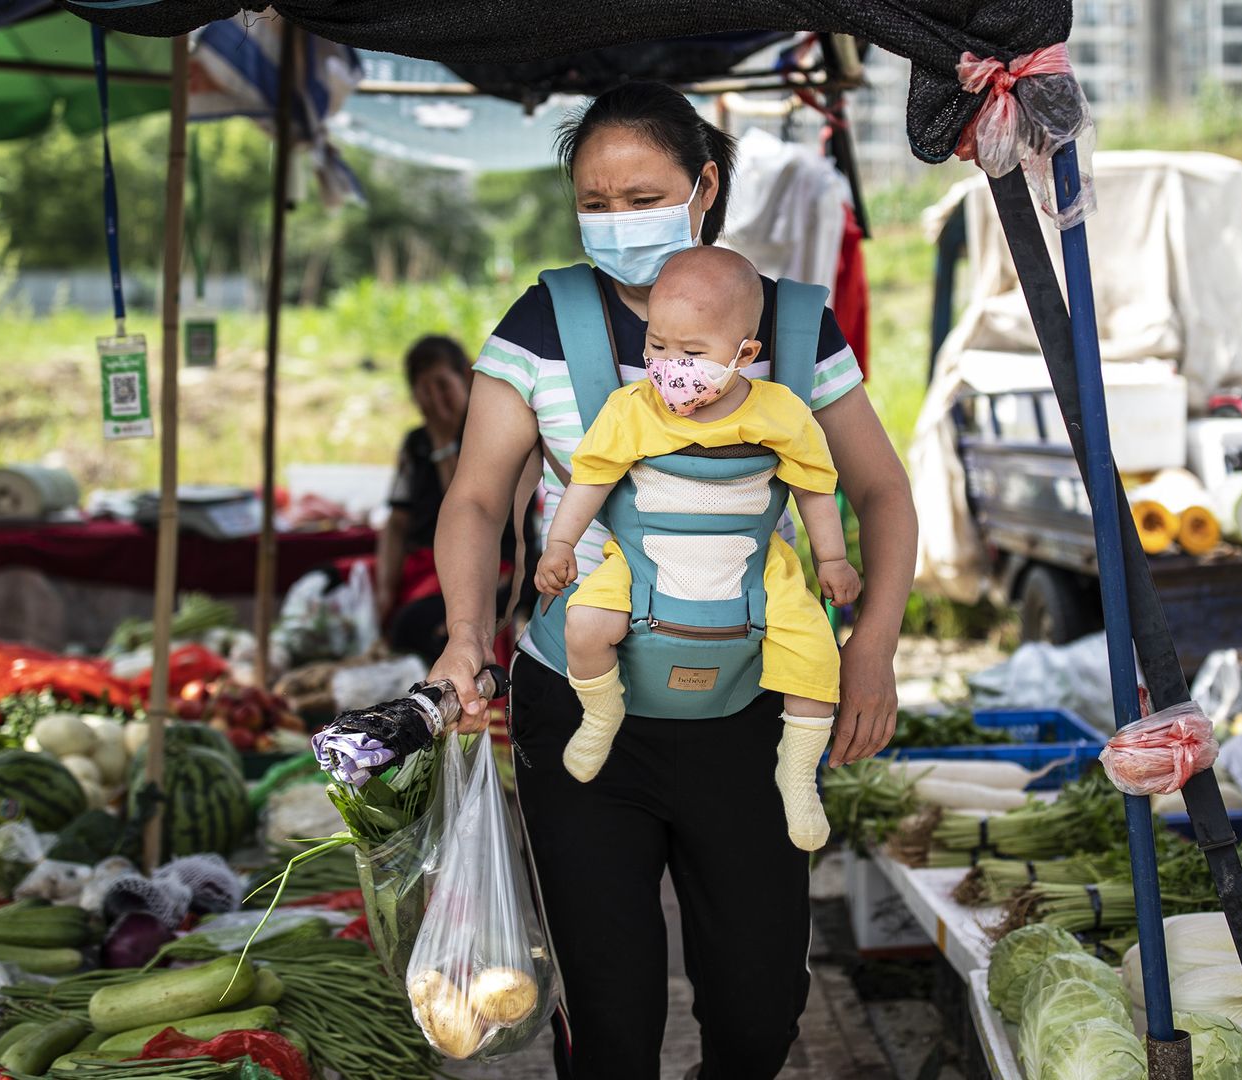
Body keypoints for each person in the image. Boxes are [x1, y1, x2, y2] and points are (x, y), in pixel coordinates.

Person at [429, 82, 917, 1079]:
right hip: (579, 706)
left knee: (758, 1012)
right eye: (594, 203)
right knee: (610, 1021)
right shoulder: (541, 324)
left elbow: (882, 492)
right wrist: (463, 635)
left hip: (749, 712)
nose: (616, 221)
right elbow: (478, 498)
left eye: (639, 194)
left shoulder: (786, 328)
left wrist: (871, 650)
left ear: (703, 186)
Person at [534, 247, 862, 852]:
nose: (668, 367)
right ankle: (601, 715)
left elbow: (815, 488)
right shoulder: (630, 410)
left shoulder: (781, 412)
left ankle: (796, 771)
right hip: (637, 564)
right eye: (656, 347)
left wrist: (833, 560)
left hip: (754, 570)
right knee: (584, 622)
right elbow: (591, 478)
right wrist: (560, 544)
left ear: (744, 355)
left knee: (816, 652)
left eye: (692, 353)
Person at [374, 335, 528, 665]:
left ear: (467, 379)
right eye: (424, 391)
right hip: (426, 564)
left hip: (491, 565)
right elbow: (397, 522)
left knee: (413, 626)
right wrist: (385, 589)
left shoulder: (493, 432)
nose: (435, 401)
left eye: (443, 386)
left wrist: (444, 444)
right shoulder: (416, 443)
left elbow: (466, 510)